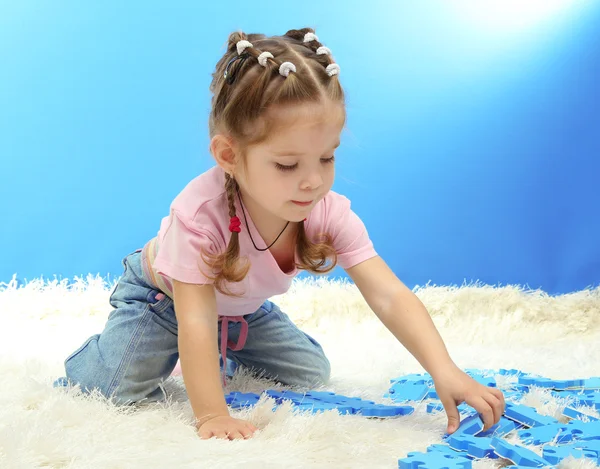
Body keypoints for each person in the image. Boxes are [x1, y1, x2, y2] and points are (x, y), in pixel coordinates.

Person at [54, 28, 505, 441]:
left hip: (238, 307)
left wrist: (443, 369)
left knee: (311, 372)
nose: (312, 181)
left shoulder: (324, 211)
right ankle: (103, 354)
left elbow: (388, 294)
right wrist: (211, 414)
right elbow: (194, 318)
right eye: (288, 165)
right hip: (167, 300)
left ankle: (221, 344)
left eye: (326, 158)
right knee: (115, 386)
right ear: (229, 154)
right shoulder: (199, 215)